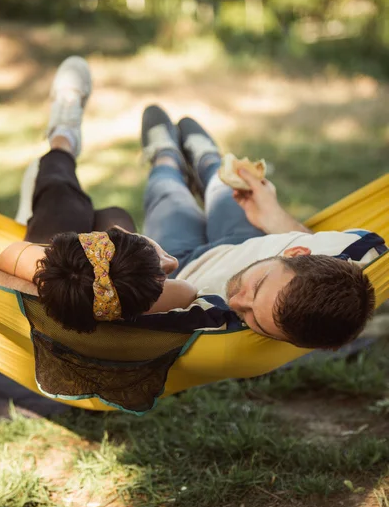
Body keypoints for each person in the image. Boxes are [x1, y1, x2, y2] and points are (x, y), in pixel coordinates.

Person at [140, 105, 387, 349]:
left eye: (253, 319)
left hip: (182, 267)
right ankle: (207, 158)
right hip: (246, 238)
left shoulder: (217, 319)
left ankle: (165, 155)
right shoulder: (361, 250)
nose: (236, 301)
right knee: (224, 185)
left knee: (166, 192)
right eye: (256, 287)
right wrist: (272, 214)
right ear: (297, 252)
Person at [0, 57, 198, 333]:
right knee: (115, 216)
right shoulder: (157, 298)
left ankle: (63, 137)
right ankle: (58, 156)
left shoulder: (34, 263)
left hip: (44, 294)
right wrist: (154, 259)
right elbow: (188, 289)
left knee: (63, 200)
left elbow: (0, 271)